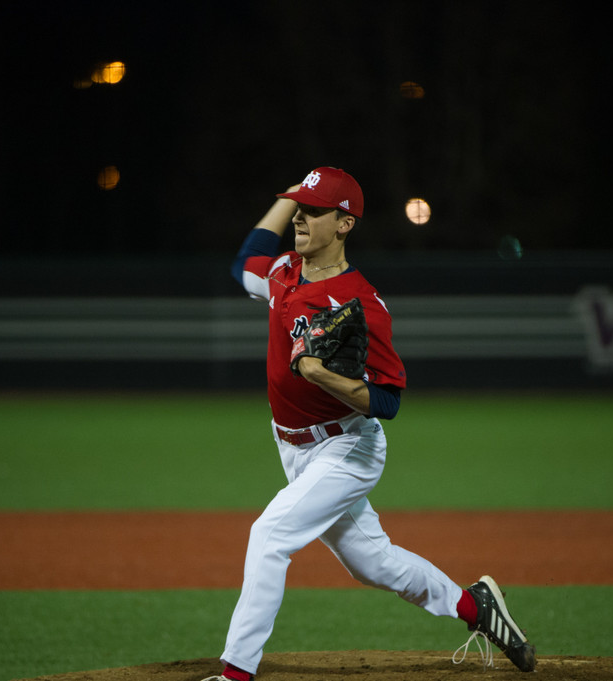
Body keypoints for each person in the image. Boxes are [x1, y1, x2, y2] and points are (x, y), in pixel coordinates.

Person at [201, 167, 536, 681]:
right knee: (373, 564)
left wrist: (318, 373)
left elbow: (387, 400)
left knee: (269, 534)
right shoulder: (284, 272)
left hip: (346, 451)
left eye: (314, 211)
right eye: (299, 208)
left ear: (345, 224)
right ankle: (476, 607)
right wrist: (290, 195)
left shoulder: (361, 304)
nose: (300, 218)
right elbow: (246, 262)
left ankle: (235, 673)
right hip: (292, 448)